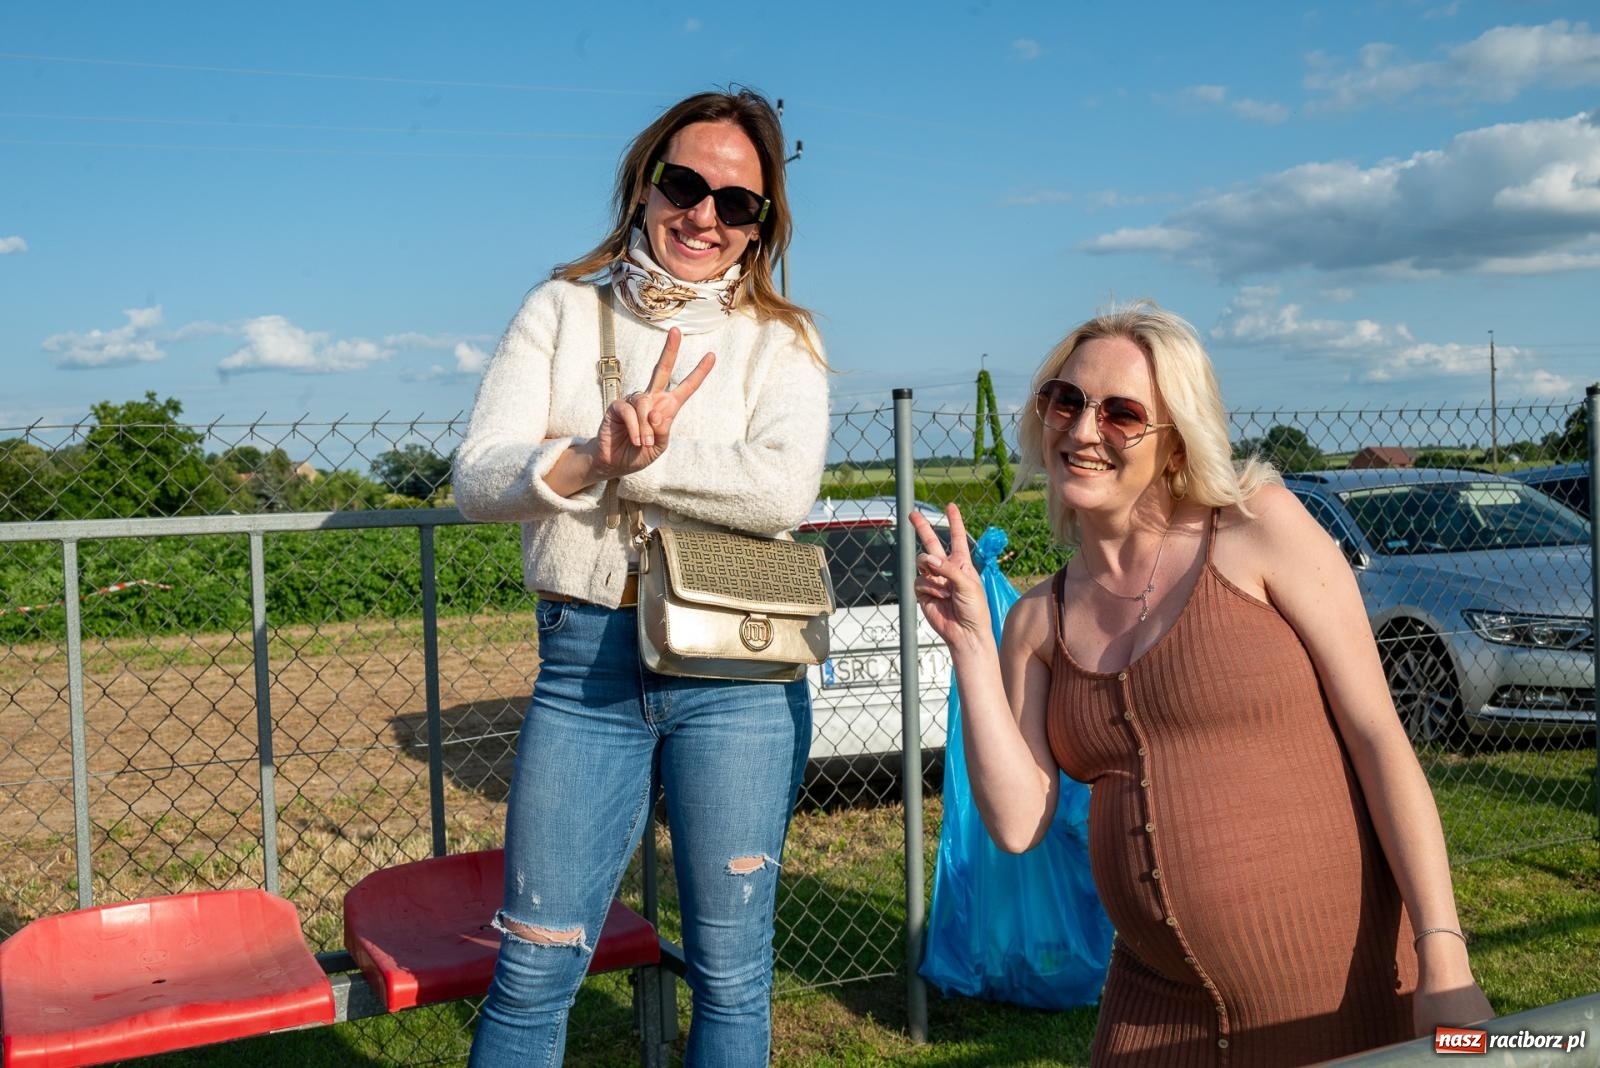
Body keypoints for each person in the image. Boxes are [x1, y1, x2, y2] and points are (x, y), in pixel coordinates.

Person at [909, 301, 1492, 1065]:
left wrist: (1443, 959)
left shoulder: (1259, 530)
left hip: (1339, 989)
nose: (1082, 430)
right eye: (1066, 400)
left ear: (1176, 441)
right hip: (1155, 1012)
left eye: (1121, 414)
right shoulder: (1036, 621)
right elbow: (1018, 823)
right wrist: (971, 646)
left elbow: (1379, 738)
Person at [453, 88, 828, 1067]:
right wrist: (590, 454)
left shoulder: (782, 337)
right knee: (531, 969)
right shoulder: (561, 309)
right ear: (643, 186)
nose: (704, 216)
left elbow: (781, 490)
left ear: (761, 225)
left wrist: (640, 464)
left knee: (731, 974)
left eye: (736, 203)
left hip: (738, 669)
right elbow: (479, 478)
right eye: (684, 184)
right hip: (586, 664)